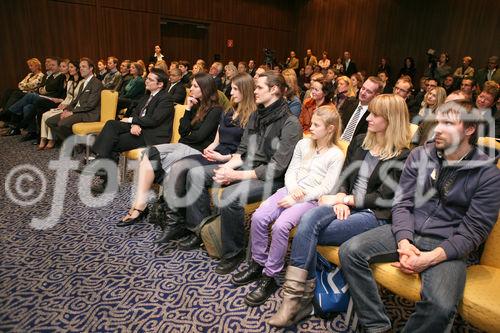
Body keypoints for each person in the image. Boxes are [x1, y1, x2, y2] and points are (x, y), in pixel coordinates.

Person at [339, 99, 500, 333]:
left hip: (446, 245)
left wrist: (429, 258)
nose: (439, 129)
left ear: (469, 129)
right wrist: (404, 241)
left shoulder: (487, 174)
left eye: (448, 123)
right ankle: (377, 325)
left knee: (441, 306)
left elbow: (474, 231)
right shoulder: (419, 155)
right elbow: (402, 203)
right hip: (408, 230)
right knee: (350, 251)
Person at [269, 94, 412, 327]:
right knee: (309, 219)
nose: (369, 118)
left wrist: (347, 199)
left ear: (391, 119)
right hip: (343, 203)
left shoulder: (403, 155)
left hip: (372, 214)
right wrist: (339, 199)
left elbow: (385, 197)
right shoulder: (361, 141)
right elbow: (345, 175)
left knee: (309, 234)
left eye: (375, 115)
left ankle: (300, 301)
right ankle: (293, 299)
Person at [181, 71, 302, 274]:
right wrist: (226, 168)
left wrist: (235, 176)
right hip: (247, 167)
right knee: (196, 174)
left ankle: (233, 252)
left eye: (259, 88)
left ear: (274, 90)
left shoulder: (291, 123)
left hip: (271, 178)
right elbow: (241, 152)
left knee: (230, 196)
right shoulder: (257, 114)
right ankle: (199, 230)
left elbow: (277, 168)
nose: (254, 91)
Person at [233, 105, 345, 306]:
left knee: (280, 226)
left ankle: (271, 274)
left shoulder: (336, 154)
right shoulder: (303, 144)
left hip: (310, 199)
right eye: (311, 123)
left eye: (316, 125)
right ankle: (258, 263)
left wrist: (297, 198)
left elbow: (326, 187)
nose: (311, 128)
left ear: (330, 129)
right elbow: (290, 172)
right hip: (290, 190)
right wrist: (292, 191)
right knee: (259, 217)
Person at [153, 73, 257, 242]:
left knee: (191, 172)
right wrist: (209, 149)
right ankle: (176, 220)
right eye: (231, 88)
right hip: (218, 152)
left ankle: (194, 227)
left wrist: (224, 158)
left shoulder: (253, 115)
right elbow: (218, 137)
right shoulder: (230, 110)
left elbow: (249, 150)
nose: (231, 92)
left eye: (235, 89)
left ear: (245, 91)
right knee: (179, 166)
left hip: (233, 160)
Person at [116, 72, 222, 226]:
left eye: (194, 86)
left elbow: (199, 137)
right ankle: (141, 204)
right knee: (149, 153)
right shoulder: (195, 106)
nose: (190, 89)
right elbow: (183, 131)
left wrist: (187, 136)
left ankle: (144, 208)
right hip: (184, 145)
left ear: (205, 89)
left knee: (159, 161)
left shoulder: (215, 110)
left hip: (198, 152)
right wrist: (188, 108)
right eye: (191, 85)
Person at [46, 57, 102, 143]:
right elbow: (75, 101)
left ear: (91, 68)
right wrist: (66, 110)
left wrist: (72, 112)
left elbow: (90, 105)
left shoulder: (96, 83)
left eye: (84, 67)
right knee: (50, 121)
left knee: (62, 124)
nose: (81, 69)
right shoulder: (83, 83)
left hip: (88, 113)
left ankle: (74, 144)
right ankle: (73, 143)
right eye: (80, 67)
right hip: (79, 111)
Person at [38, 60, 84, 150]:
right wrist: (62, 104)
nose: (69, 69)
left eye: (71, 67)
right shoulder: (70, 82)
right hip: (66, 104)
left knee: (49, 117)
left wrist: (67, 106)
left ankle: (52, 140)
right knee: (45, 115)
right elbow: (68, 97)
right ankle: (43, 139)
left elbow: (77, 99)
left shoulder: (82, 82)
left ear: (77, 69)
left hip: (73, 107)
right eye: (69, 67)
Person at [0, 58, 44, 127]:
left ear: (37, 66)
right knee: (8, 91)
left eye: (31, 65)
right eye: (29, 66)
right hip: (24, 91)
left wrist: (25, 85)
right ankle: (3, 110)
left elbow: (32, 85)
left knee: (16, 94)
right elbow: (20, 84)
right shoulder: (29, 74)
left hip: (30, 94)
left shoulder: (41, 75)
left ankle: (5, 113)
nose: (30, 67)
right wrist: (25, 86)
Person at [339, 76, 384, 142]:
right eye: (363, 88)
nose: (363, 93)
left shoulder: (376, 114)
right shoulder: (349, 102)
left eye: (368, 91)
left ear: (376, 95)